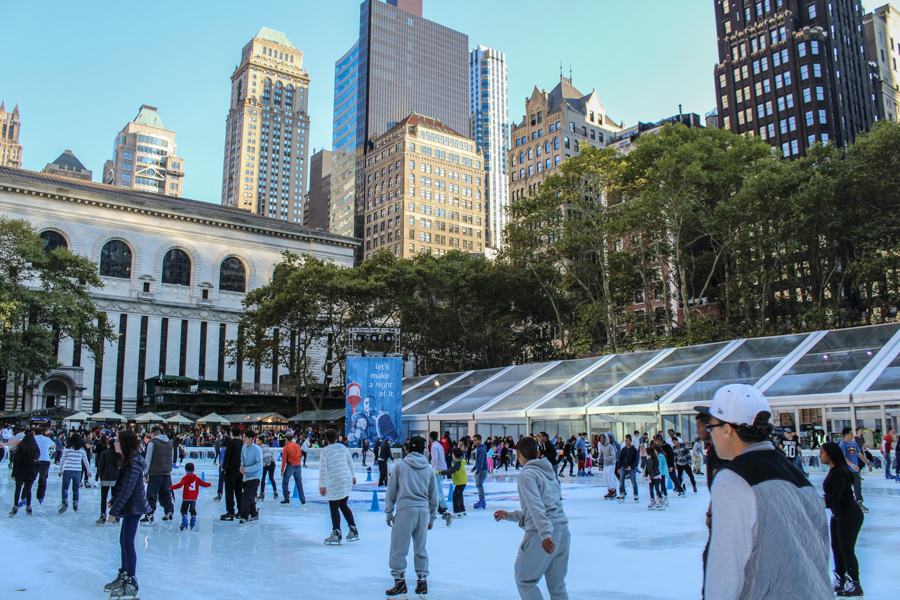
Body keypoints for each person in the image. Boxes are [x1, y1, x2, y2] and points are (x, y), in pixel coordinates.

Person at [698, 384, 831, 600]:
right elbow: (820, 555)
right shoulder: (801, 480)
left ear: (727, 429)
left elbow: (724, 573)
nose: (710, 434)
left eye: (712, 426)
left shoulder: (733, 480)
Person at [494, 436, 570, 600]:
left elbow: (536, 507)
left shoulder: (526, 475)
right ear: (537, 453)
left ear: (518, 454)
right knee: (557, 587)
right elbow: (545, 507)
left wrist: (545, 534)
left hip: (542, 534)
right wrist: (510, 516)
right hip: (562, 532)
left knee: (524, 579)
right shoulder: (549, 473)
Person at [384, 435, 440, 599]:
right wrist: (432, 517)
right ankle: (422, 581)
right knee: (420, 547)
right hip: (423, 512)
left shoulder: (400, 466)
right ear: (424, 450)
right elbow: (433, 496)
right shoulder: (428, 469)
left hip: (405, 510)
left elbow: (391, 491)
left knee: (398, 547)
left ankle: (399, 581)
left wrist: (389, 512)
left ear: (407, 449)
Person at [104, 430, 150, 598]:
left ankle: (131, 580)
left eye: (117, 441)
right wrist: (114, 498)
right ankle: (124, 575)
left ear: (124, 444)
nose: (114, 444)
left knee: (128, 542)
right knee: (123, 541)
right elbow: (123, 486)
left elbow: (128, 490)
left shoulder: (134, 463)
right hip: (131, 506)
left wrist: (113, 512)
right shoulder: (129, 461)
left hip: (134, 507)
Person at [819, 442, 865, 597]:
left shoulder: (839, 472)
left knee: (846, 549)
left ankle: (855, 584)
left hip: (849, 514)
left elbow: (836, 497)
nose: (820, 455)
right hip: (838, 514)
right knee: (837, 548)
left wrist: (818, 503)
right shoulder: (834, 471)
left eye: (822, 452)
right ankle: (840, 580)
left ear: (830, 455)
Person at [319, 428, 358, 544]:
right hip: (345, 479)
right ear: (337, 438)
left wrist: (322, 485)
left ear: (326, 439)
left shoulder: (325, 451)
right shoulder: (343, 448)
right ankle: (353, 528)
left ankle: (337, 532)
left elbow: (323, 469)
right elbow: (350, 463)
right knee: (343, 505)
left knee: (334, 506)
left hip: (334, 480)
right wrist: (353, 476)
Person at [141, 426, 175, 525]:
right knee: (166, 493)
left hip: (155, 473)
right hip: (166, 473)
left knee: (151, 494)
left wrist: (145, 472)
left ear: (153, 434)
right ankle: (169, 512)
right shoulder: (169, 443)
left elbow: (148, 458)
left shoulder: (152, 443)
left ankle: (149, 514)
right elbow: (171, 457)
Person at [169, 462, 211, 531]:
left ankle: (185, 521)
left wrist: (171, 487)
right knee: (192, 509)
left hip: (186, 497)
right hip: (194, 498)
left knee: (183, 510)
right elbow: (203, 484)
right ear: (194, 469)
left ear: (186, 470)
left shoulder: (185, 478)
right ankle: (193, 520)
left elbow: (180, 484)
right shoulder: (196, 478)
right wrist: (209, 484)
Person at [59, 433, 91, 514]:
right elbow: (85, 461)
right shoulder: (81, 449)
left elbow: (62, 460)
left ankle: (65, 501)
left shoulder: (67, 448)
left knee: (65, 487)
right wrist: (89, 470)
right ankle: (75, 503)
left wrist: (60, 470)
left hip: (68, 469)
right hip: (77, 470)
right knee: (75, 488)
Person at [9, 430, 39, 517]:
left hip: (20, 471)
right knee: (28, 489)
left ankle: (15, 506)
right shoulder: (35, 448)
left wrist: (14, 473)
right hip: (31, 471)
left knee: (18, 489)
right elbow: (37, 460)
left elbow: (17, 462)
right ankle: (29, 506)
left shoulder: (21, 448)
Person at [839, 427, 869, 513]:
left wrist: (868, 463)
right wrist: (852, 465)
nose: (852, 435)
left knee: (857, 487)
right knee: (846, 488)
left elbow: (859, 454)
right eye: (851, 433)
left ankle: (859, 502)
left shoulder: (854, 443)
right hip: (846, 470)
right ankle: (846, 504)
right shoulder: (842, 444)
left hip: (855, 471)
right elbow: (843, 457)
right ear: (846, 434)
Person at [220, 427, 244, 521]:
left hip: (231, 469)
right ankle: (241, 510)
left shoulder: (231, 442)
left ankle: (230, 511)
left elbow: (227, 456)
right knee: (239, 490)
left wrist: (223, 468)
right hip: (240, 469)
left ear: (231, 433)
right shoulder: (242, 443)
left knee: (229, 490)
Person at [238, 429, 262, 525]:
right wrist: (242, 468)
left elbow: (259, 465)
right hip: (246, 476)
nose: (243, 439)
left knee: (247, 496)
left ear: (251, 439)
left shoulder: (257, 449)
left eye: (245, 437)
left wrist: (247, 469)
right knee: (250, 496)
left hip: (255, 476)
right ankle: (254, 513)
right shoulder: (244, 447)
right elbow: (242, 459)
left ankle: (244, 515)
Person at [96, 439, 122, 525]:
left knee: (104, 498)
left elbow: (101, 466)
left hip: (106, 478)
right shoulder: (118, 454)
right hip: (116, 478)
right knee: (115, 497)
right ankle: (116, 516)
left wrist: (100, 477)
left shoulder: (105, 453)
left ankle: (103, 516)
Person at [280, 432, 306, 506]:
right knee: (299, 483)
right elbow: (300, 455)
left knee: (285, 482)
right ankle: (303, 499)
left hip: (290, 465)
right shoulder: (297, 446)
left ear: (286, 439)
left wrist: (282, 470)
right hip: (298, 465)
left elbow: (284, 459)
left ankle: (286, 498)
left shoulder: (286, 447)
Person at [441, 447, 468, 516]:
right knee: (459, 495)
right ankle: (462, 510)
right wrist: (442, 472)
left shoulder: (458, 462)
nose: (452, 455)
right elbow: (451, 469)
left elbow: (452, 470)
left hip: (461, 481)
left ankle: (457, 511)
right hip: (461, 481)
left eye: (453, 454)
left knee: (455, 496)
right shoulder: (457, 462)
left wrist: (442, 473)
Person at [428, 432, 449, 514]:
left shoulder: (434, 446)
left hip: (438, 469)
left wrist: (433, 470)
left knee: (438, 487)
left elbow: (434, 459)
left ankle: (442, 504)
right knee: (438, 486)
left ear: (430, 438)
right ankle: (441, 504)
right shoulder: (439, 445)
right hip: (442, 467)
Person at [33, 427, 55, 508]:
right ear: (42, 433)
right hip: (45, 460)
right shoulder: (47, 439)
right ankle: (40, 497)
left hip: (35, 460)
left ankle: (25, 496)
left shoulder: (33, 439)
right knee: (43, 479)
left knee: (31, 478)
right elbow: (54, 445)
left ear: (34, 433)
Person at [617, 434, 640, 502]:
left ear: (630, 441)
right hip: (623, 467)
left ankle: (635, 494)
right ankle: (622, 493)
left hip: (631, 468)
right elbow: (620, 459)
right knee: (621, 481)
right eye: (625, 441)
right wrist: (619, 468)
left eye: (628, 441)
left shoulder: (634, 450)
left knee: (633, 481)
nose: (626, 442)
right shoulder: (623, 449)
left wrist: (632, 466)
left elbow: (636, 459)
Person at [257, 436, 278, 501]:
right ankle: (275, 492)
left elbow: (259, 458)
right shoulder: (266, 446)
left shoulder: (259, 448)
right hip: (272, 462)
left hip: (266, 463)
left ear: (261, 441)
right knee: (271, 478)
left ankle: (262, 493)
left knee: (263, 478)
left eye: (257, 441)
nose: (256, 442)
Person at [472, 433, 488, 509]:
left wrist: (477, 471)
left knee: (479, 485)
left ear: (479, 440)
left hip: (482, 469)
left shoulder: (481, 449)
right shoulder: (479, 448)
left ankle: (482, 501)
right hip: (481, 468)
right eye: (473, 440)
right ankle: (481, 500)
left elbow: (481, 461)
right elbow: (478, 461)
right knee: (479, 485)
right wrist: (475, 467)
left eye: (475, 440)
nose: (474, 442)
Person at [599, 434, 616, 499]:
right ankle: (609, 490)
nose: (602, 440)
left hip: (611, 464)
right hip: (605, 465)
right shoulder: (602, 447)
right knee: (605, 478)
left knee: (610, 478)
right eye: (601, 438)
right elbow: (601, 456)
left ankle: (613, 490)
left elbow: (613, 456)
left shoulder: (610, 446)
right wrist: (599, 460)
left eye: (603, 438)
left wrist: (605, 459)